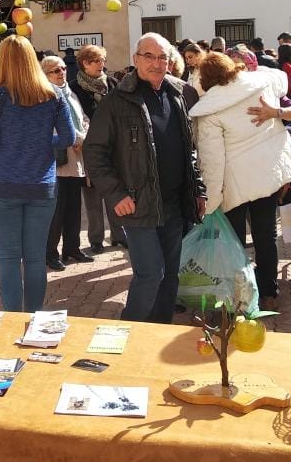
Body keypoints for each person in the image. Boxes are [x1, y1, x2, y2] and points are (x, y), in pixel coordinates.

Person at [83, 33, 207, 323]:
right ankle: (130, 332)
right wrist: (115, 194)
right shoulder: (117, 100)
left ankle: (158, 333)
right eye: (148, 56)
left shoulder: (179, 93)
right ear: (136, 59)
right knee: (151, 274)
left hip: (174, 203)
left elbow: (189, 150)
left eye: (162, 56)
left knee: (170, 278)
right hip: (137, 204)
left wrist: (198, 189)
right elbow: (94, 152)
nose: (156, 62)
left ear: (170, 61)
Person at [190, 52, 291, 311]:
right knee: (266, 236)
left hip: (235, 186)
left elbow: (212, 162)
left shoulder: (210, 110)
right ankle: (268, 288)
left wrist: (210, 202)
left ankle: (241, 294)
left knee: (235, 242)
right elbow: (282, 81)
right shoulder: (262, 84)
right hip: (267, 178)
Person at [0, 35, 75, 312]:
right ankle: (33, 317)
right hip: (41, 185)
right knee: (34, 258)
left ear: (4, 62)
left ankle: (12, 320)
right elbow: (67, 137)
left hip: (2, 184)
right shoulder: (53, 96)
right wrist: (44, 143)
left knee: (8, 258)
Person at [69, 44, 126, 252]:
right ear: (85, 63)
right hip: (89, 148)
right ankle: (95, 239)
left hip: (113, 146)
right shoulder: (74, 88)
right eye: (97, 61)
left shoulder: (112, 83)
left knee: (114, 190)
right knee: (92, 196)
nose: (102, 64)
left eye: (103, 60)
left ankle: (119, 235)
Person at [41, 55, 91, 270]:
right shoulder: (45, 96)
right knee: (56, 212)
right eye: (55, 70)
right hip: (59, 160)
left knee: (73, 208)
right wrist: (77, 138)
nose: (61, 72)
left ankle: (72, 248)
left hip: (76, 158)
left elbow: (84, 119)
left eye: (62, 69)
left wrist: (84, 137)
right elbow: (49, 127)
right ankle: (50, 253)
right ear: (45, 75)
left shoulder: (70, 94)